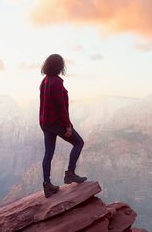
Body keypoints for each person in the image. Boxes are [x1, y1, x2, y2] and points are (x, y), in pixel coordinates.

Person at [38, 54, 87, 198]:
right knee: (79, 143)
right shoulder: (56, 83)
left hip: (45, 122)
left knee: (48, 153)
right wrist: (68, 126)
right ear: (59, 66)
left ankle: (47, 185)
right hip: (56, 123)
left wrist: (43, 123)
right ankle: (70, 174)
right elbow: (61, 107)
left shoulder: (44, 81)